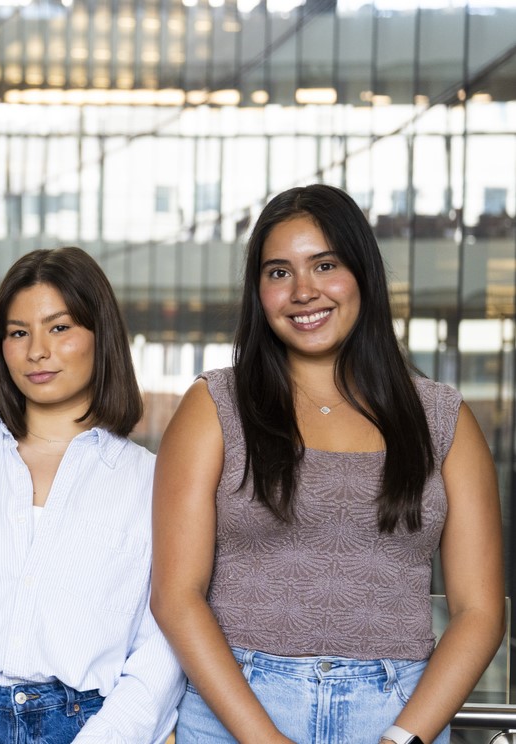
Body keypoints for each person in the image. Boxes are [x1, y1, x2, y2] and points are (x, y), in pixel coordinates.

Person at [152, 184, 504, 744]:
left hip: (399, 711)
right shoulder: (215, 406)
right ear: (258, 292)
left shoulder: (442, 418)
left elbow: (480, 610)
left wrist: (401, 739)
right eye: (278, 272)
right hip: (236, 713)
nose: (303, 291)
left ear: (362, 273)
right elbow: (176, 596)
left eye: (325, 264)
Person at [0, 247, 185, 744]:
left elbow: (163, 647)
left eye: (60, 327)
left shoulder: (151, 483)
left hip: (95, 726)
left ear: (101, 335)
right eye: (18, 332)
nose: (36, 351)